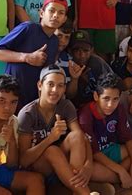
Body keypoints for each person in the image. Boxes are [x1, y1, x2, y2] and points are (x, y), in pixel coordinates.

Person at [17, 65, 96, 195]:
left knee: (75, 136)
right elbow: (24, 161)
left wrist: (89, 164)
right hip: (38, 168)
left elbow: (81, 136)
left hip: (62, 166)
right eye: (51, 84)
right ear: (40, 85)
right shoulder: (27, 114)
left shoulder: (65, 106)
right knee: (52, 150)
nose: (55, 90)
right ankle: (85, 193)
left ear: (65, 88)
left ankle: (77, 191)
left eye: (60, 86)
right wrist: (51, 138)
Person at [79, 73, 132, 189]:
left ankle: (113, 180)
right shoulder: (86, 115)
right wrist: (121, 171)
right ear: (96, 96)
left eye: (115, 99)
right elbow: (94, 152)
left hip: (112, 149)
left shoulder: (119, 109)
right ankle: (126, 177)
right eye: (106, 99)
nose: (110, 105)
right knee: (86, 169)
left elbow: (129, 138)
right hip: (94, 156)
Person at [0, 0, 68, 111]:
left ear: (64, 19)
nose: (55, 15)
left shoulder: (55, 41)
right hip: (12, 96)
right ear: (41, 13)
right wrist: (26, 57)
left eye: (61, 13)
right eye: (51, 11)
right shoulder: (28, 28)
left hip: (33, 100)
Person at [68, 30, 113, 107]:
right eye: (76, 50)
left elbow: (113, 86)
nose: (81, 54)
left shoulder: (97, 63)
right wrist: (75, 79)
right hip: (74, 107)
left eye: (85, 50)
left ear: (92, 50)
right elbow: (69, 96)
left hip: (98, 105)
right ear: (70, 51)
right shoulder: (67, 64)